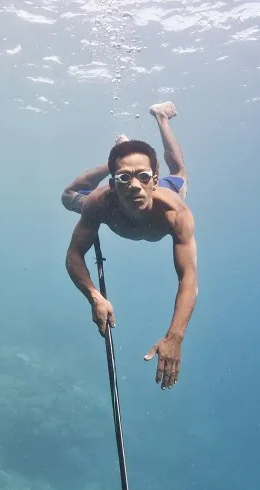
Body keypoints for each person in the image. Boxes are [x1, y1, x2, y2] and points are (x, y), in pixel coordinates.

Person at [61, 101, 198, 391]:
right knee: (68, 195)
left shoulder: (175, 213)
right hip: (108, 202)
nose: (135, 185)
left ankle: (161, 117)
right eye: (124, 177)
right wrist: (95, 297)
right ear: (112, 184)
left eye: (143, 177)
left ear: (154, 181)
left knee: (181, 171)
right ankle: (116, 155)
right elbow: (74, 255)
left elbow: (189, 278)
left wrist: (175, 337)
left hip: (168, 195)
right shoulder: (99, 203)